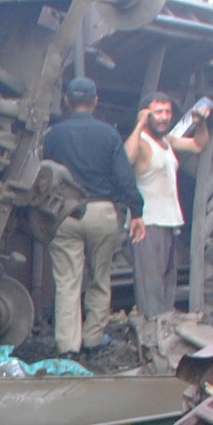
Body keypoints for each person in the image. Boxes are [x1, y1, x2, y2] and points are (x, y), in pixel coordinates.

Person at [39, 75, 144, 357]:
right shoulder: (108, 134)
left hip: (65, 213)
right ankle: (94, 339)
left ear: (67, 102)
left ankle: (67, 346)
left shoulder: (54, 134)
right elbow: (124, 176)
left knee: (67, 281)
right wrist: (136, 210)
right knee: (100, 277)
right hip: (101, 212)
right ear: (95, 102)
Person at [126, 90, 195, 318]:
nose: (164, 117)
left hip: (168, 221)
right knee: (150, 285)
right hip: (147, 223)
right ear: (146, 114)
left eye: (167, 112)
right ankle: (151, 332)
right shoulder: (142, 142)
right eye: (158, 112)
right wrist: (139, 126)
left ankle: (164, 330)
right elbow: (127, 159)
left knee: (166, 282)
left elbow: (198, 145)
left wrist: (201, 123)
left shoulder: (166, 142)